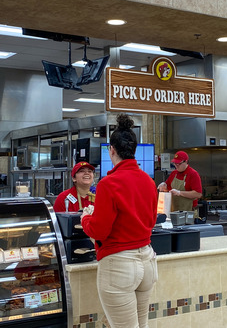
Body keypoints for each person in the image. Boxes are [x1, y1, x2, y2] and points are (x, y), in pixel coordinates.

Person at [80, 114, 158, 328]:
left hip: (119, 265)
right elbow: (151, 221)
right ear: (133, 150)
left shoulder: (108, 184)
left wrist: (86, 218)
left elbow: (99, 230)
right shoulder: (149, 182)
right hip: (147, 262)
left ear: (111, 150)